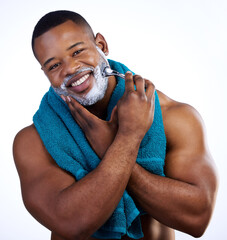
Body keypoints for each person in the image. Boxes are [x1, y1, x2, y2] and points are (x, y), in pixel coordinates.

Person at [13, 10, 218, 240]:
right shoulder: (35, 141)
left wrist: (113, 149)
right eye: (53, 66)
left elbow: (197, 219)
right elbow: (72, 223)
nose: (70, 69)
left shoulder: (174, 116)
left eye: (78, 51)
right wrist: (127, 138)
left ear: (101, 44)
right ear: (45, 73)